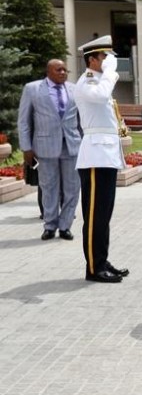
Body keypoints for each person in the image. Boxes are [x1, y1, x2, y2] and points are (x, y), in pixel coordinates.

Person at [74, 36, 129, 283]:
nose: (108, 61)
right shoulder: (87, 82)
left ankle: (102, 260)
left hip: (106, 154)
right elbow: (100, 95)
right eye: (104, 57)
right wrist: (110, 73)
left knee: (104, 214)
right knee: (94, 214)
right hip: (95, 156)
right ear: (92, 59)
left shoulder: (99, 82)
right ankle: (94, 268)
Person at [17, 59, 81, 241]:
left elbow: (80, 119)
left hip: (71, 146)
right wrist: (26, 147)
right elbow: (24, 121)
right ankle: (50, 225)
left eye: (65, 70)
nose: (63, 72)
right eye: (58, 70)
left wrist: (85, 143)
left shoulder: (74, 89)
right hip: (44, 147)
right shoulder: (33, 89)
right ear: (49, 72)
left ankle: (65, 226)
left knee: (72, 188)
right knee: (48, 188)